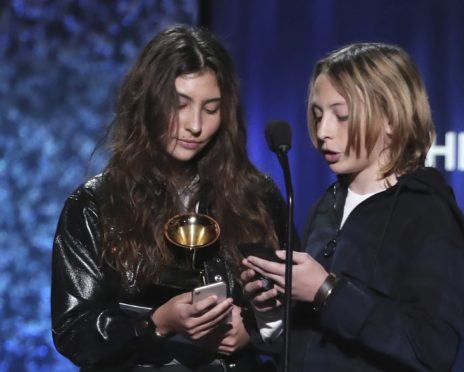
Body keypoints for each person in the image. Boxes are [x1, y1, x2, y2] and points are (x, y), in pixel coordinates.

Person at [51, 25, 287, 372]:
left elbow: (298, 307)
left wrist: (255, 330)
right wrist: (157, 323)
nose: (195, 125)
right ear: (147, 103)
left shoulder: (256, 195)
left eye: (211, 108)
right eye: (180, 105)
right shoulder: (95, 204)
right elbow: (73, 332)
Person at [241, 42, 464, 371]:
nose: (323, 132)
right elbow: (310, 345)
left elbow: (431, 350)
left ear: (391, 120)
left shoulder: (430, 215)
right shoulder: (327, 205)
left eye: (343, 116)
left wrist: (326, 291)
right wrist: (270, 313)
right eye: (318, 115)